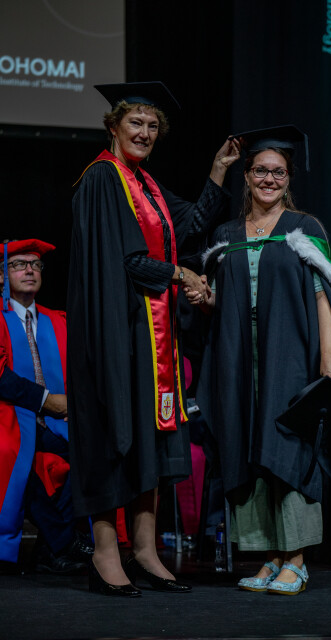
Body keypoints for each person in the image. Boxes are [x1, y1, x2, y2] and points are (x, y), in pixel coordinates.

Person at [67, 81, 240, 597]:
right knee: (113, 434)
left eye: (152, 126)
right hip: (115, 333)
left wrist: (218, 170)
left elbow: (191, 225)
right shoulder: (103, 179)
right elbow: (126, 262)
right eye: (135, 123)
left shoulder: (145, 184)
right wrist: (181, 275)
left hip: (149, 333)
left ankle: (145, 552)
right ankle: (105, 555)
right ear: (113, 126)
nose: (144, 132)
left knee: (150, 437)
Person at [195, 125, 331, 595]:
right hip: (238, 355)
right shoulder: (227, 234)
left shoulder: (304, 228)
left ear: (288, 180)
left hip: (290, 352)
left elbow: (325, 296)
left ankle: (297, 559)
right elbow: (222, 300)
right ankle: (268, 555)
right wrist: (202, 297)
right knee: (247, 445)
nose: (269, 179)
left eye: (278, 173)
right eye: (261, 171)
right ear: (247, 176)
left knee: (287, 446)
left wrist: (329, 357)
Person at [0, 239, 93, 574]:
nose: (29, 270)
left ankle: (50, 547)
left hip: (56, 423)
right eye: (19, 264)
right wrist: (48, 401)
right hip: (8, 418)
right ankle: (61, 544)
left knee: (92, 450)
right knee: (18, 458)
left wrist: (75, 407)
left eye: (35, 265)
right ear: (1, 275)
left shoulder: (59, 321)